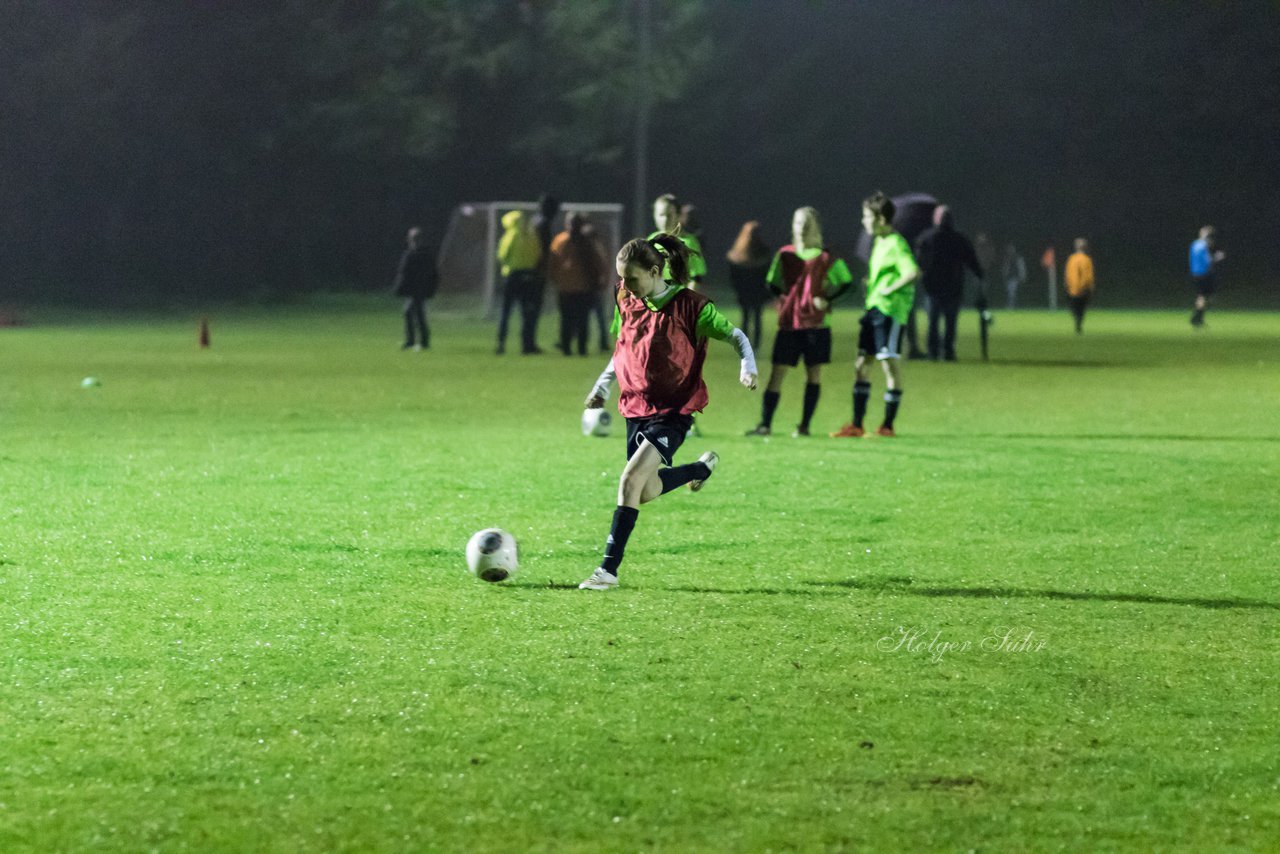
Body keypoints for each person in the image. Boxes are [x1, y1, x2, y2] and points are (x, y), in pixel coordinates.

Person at [580, 234, 758, 590]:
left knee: (629, 481)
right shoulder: (625, 299)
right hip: (635, 406)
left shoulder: (691, 307)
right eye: (623, 279)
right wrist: (602, 386)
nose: (626, 287)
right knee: (645, 491)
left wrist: (747, 366)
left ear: (655, 270)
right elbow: (622, 349)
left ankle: (607, 571)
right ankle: (699, 468)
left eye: (633, 279)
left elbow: (737, 336)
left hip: (673, 411)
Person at [746, 207, 852, 437]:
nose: (802, 228)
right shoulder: (785, 254)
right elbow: (772, 283)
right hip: (789, 325)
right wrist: (784, 300)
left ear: (815, 227)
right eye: (798, 223)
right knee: (777, 374)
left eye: (807, 224)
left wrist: (827, 300)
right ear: (792, 226)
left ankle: (804, 426)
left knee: (813, 375)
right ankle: (765, 424)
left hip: (817, 326)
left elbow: (846, 283)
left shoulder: (825, 257)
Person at [832, 191, 919, 438]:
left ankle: (887, 426)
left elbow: (912, 272)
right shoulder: (879, 243)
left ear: (881, 219)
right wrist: (874, 283)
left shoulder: (896, 243)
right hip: (873, 309)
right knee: (862, 364)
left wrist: (888, 289)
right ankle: (857, 425)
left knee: (888, 363)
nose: (863, 221)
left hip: (889, 312)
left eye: (867, 216)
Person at [913, 205, 984, 361]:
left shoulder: (926, 237)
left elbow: (919, 261)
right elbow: (971, 260)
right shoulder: (959, 238)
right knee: (950, 322)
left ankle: (933, 352)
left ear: (936, 219)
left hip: (933, 287)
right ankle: (948, 351)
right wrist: (979, 274)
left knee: (933, 320)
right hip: (953, 285)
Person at [549, 213, 610, 356]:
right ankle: (567, 348)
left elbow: (598, 262)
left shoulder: (585, 242)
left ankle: (580, 348)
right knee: (567, 320)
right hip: (567, 288)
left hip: (583, 288)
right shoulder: (561, 241)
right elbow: (553, 263)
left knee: (582, 320)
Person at [495, 210, 543, 355]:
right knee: (526, 312)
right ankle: (526, 345)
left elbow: (502, 255)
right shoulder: (532, 236)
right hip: (529, 276)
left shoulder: (510, 236)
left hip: (512, 276)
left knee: (506, 312)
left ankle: (501, 343)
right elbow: (537, 255)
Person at [392, 226, 438, 351]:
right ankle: (416, 340)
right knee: (414, 313)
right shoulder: (418, 253)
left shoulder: (418, 254)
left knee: (415, 314)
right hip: (416, 289)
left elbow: (405, 273)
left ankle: (419, 341)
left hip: (417, 289)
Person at [726, 221, 771, 346]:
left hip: (756, 291)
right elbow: (734, 275)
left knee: (755, 317)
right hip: (747, 290)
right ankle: (746, 344)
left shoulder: (763, 251)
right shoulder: (741, 252)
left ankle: (754, 345)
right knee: (747, 317)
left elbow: (767, 273)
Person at [650, 193, 707, 288]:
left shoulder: (689, 242)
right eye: (661, 215)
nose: (665, 220)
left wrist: (687, 301)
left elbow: (696, 278)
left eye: (669, 215)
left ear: (678, 215)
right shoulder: (651, 240)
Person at [1189, 225, 1225, 328]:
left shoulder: (1194, 244)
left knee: (1202, 296)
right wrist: (1217, 257)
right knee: (1204, 296)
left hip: (1195, 273)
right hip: (1203, 274)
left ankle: (1197, 318)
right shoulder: (1203, 246)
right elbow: (1208, 261)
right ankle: (1196, 319)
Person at [1064, 237, 1095, 334]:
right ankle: (1078, 322)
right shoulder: (1087, 260)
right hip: (1084, 289)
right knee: (1081, 309)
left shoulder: (1071, 259)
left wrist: (1067, 284)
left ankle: (1077, 321)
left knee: (1074, 307)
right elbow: (1089, 276)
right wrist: (1090, 286)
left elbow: (1068, 273)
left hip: (1072, 288)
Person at [1002, 243, 1027, 309]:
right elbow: (1005, 269)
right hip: (1008, 278)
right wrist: (1004, 275)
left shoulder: (1018, 258)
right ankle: (1011, 305)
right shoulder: (1007, 258)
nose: (1010, 250)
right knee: (1010, 292)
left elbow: (1021, 268)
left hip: (1015, 278)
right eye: (1009, 249)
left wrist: (1022, 276)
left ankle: (1011, 306)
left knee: (1012, 293)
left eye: (1011, 249)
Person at [1041, 243, 1058, 311]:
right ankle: (1052, 306)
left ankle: (1053, 306)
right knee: (1052, 290)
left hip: (1052, 271)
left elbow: (1043, 262)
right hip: (1051, 271)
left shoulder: (1049, 252)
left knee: (1052, 290)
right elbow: (1044, 262)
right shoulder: (1049, 252)